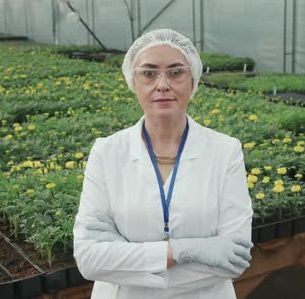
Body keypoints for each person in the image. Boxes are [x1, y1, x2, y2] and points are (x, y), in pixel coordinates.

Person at [73, 28, 253, 298]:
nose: (162, 84)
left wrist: (127, 262)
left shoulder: (225, 151)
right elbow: (89, 258)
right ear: (133, 82)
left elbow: (235, 258)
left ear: (193, 80)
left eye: (176, 72)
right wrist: (184, 251)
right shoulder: (107, 152)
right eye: (148, 73)